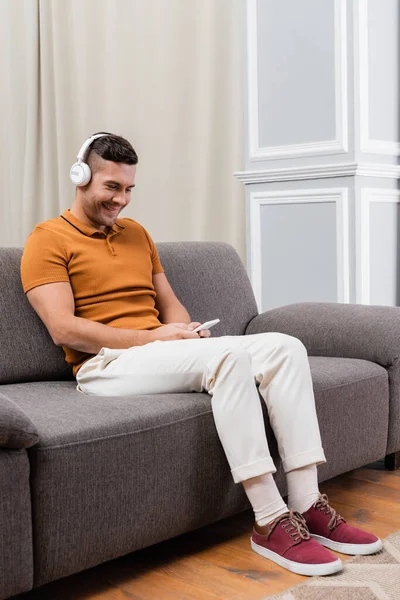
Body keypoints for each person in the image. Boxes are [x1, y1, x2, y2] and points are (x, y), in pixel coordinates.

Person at [21, 132, 382, 577]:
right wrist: (155, 339)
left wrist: (185, 330)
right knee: (228, 359)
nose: (122, 200)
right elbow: (65, 329)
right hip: (105, 365)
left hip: (156, 353)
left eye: (129, 189)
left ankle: (307, 504)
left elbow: (167, 302)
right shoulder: (47, 239)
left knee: (286, 347)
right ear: (81, 178)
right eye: (111, 187)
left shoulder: (136, 234)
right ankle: (270, 520)